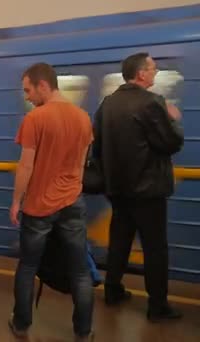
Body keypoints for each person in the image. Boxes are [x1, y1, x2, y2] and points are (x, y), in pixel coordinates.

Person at [93, 52, 183, 321]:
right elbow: (170, 143)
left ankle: (112, 291)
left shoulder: (106, 104)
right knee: (155, 248)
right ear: (141, 74)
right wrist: (173, 118)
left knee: (119, 242)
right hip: (149, 191)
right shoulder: (152, 103)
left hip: (117, 190)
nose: (155, 73)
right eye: (153, 69)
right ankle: (157, 307)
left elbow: (97, 147)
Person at [8, 63, 94, 341]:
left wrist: (15, 202)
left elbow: (26, 166)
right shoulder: (83, 117)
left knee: (28, 267)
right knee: (80, 270)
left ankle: (21, 325)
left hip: (38, 207)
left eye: (28, 90)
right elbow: (81, 165)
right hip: (72, 202)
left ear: (42, 85)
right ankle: (83, 331)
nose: (28, 97)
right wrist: (72, 191)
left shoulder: (35, 118)